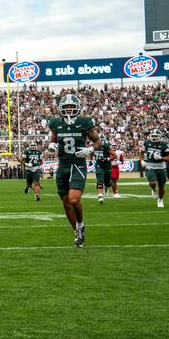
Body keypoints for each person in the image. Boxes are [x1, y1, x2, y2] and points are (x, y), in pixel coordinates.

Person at [47, 93, 100, 248]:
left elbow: (98, 141)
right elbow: (54, 138)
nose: (69, 110)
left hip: (78, 165)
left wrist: (90, 149)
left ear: (77, 108)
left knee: (74, 199)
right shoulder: (56, 123)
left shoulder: (84, 122)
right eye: (66, 107)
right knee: (66, 203)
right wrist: (52, 145)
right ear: (61, 109)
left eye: (71, 107)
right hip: (63, 165)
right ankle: (77, 231)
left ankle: (81, 224)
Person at [140, 128, 169, 208]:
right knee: (152, 182)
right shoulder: (147, 142)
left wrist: (161, 158)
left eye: (156, 136)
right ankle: (154, 189)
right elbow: (141, 152)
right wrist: (142, 161)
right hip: (151, 165)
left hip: (161, 166)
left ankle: (160, 199)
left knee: (162, 186)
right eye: (153, 136)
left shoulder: (164, 145)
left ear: (159, 136)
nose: (154, 137)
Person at [91, 136, 117, 204]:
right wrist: (90, 160)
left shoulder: (106, 146)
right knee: (100, 180)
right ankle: (100, 196)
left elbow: (115, 155)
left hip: (107, 166)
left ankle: (106, 187)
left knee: (108, 183)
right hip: (99, 165)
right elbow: (91, 153)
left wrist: (107, 159)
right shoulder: (94, 146)